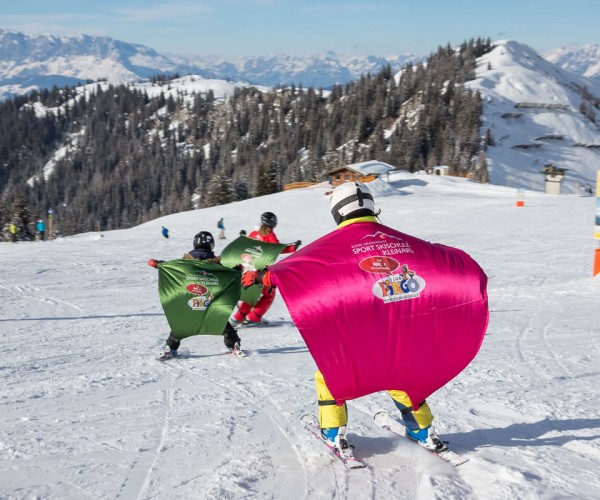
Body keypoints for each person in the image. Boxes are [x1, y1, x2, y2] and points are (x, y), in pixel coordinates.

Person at [242, 182, 489, 459]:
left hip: (362, 350)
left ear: (337, 212)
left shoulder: (331, 246)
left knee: (332, 376)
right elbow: (443, 260)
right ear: (371, 206)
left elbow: (297, 267)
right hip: (406, 344)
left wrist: (262, 276)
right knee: (407, 378)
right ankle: (422, 431)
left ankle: (334, 433)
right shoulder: (405, 242)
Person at [149, 230, 241, 359]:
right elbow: (227, 274)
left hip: (188, 308)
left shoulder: (185, 262)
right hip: (211, 310)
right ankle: (234, 345)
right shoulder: (217, 263)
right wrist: (236, 271)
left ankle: (170, 348)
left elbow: (172, 267)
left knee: (179, 327)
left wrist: (159, 264)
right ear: (212, 245)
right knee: (222, 324)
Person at [231, 212, 301, 326]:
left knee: (251, 295)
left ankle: (238, 318)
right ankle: (254, 318)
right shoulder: (270, 235)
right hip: (262, 272)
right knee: (269, 294)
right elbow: (277, 249)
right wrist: (293, 247)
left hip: (248, 270)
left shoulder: (253, 233)